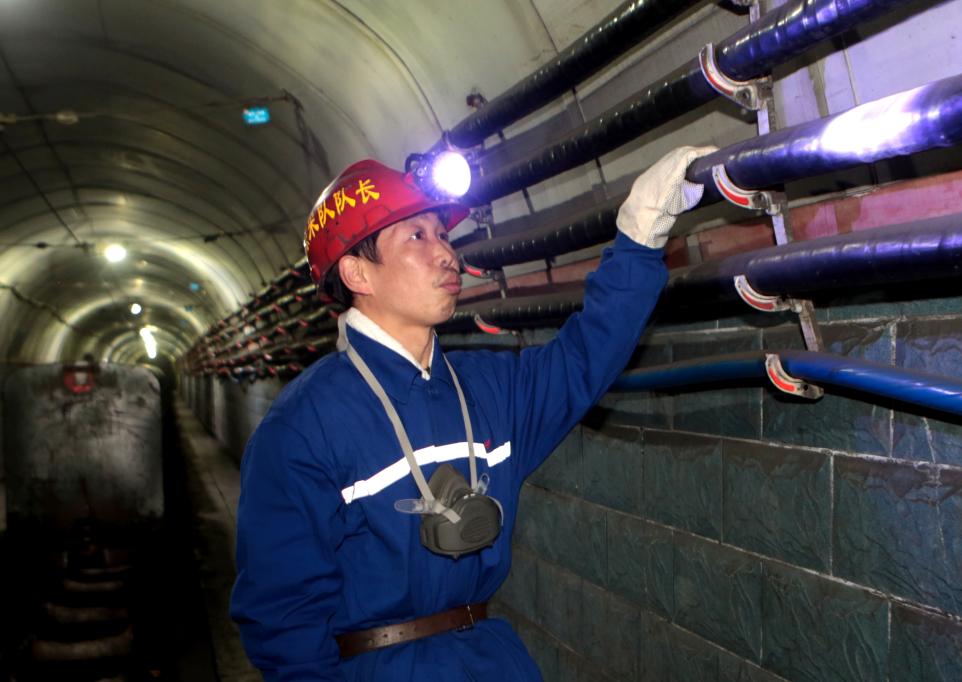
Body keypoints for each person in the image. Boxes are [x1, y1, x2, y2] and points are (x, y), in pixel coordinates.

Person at [230, 145, 714, 680]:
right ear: (357, 273)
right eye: (417, 236)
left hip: (490, 660)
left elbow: (587, 355)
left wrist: (639, 236)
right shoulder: (302, 427)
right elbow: (283, 622)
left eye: (443, 235)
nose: (447, 255)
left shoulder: (488, 387)